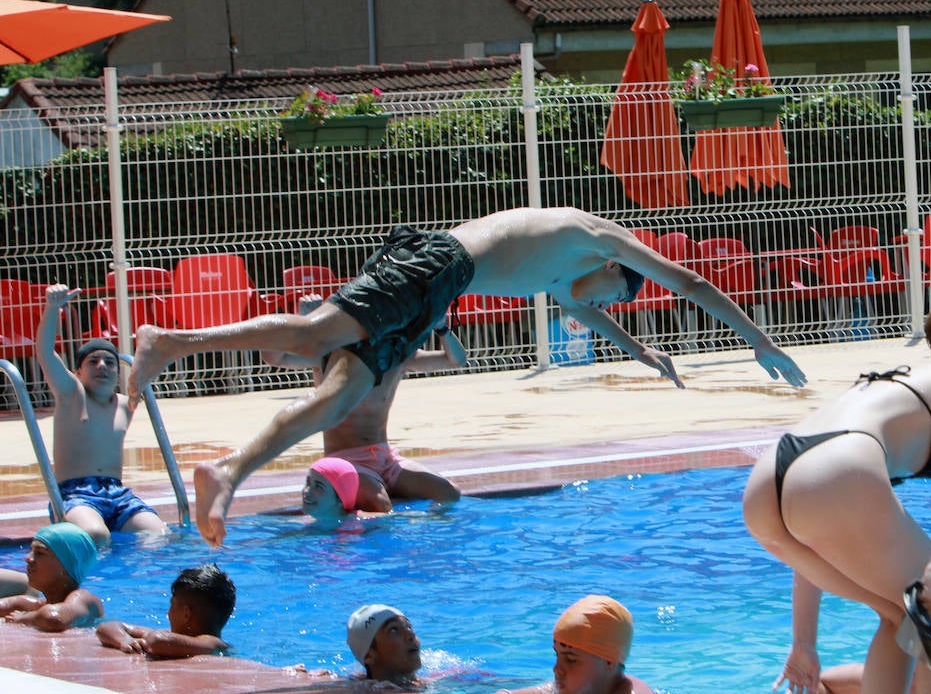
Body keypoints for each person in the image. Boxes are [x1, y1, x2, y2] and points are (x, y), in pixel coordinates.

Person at [125, 207, 805, 546]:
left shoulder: (570, 276)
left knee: (340, 397)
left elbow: (583, 310)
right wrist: (760, 342)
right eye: (619, 294)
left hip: (433, 295)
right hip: (431, 266)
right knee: (314, 337)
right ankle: (171, 341)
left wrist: (643, 353)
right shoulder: (594, 236)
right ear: (617, 267)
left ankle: (230, 470)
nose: (607, 304)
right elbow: (687, 281)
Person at [741, 287, 931, 694]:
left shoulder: (910, 383)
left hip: (767, 484)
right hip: (834, 470)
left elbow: (818, 509)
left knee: (899, 615)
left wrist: (805, 642)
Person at [267, 294, 462, 509]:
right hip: (346, 462)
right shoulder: (330, 354)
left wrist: (443, 328)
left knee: (449, 493)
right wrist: (304, 324)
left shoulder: (398, 355)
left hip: (386, 459)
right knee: (379, 504)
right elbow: (273, 357)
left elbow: (456, 360)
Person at [36, 285, 167, 544]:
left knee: (157, 534)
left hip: (117, 492)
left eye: (109, 362)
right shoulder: (72, 395)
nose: (102, 366)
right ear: (78, 373)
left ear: (118, 373)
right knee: (95, 535)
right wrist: (52, 309)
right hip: (75, 494)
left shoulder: (125, 403)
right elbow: (45, 352)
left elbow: (150, 363)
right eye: (93, 361)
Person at [450, 594, 670, 694]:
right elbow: (547, 691)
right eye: (558, 656)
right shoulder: (576, 688)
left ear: (609, 662)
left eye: (571, 659)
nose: (557, 669)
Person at [96, 563, 236, 658]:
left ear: (186, 614)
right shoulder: (179, 639)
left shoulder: (213, 644)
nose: (168, 613)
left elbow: (157, 641)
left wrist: (144, 639)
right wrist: (124, 640)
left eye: (172, 606)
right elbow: (106, 627)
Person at [0, 522, 103, 631]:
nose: (28, 558)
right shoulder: (37, 605)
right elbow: (9, 605)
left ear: (66, 565)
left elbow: (54, 619)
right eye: (31, 551)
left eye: (39, 553)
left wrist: (23, 618)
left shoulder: (85, 599)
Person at [347, 603, 424, 687]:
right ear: (369, 655)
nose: (411, 635)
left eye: (408, 627)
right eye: (394, 630)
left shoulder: (437, 680)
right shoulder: (357, 692)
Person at [301, 456, 391, 520]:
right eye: (308, 483)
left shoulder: (363, 521)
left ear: (340, 499)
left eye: (319, 487)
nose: (307, 491)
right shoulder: (307, 522)